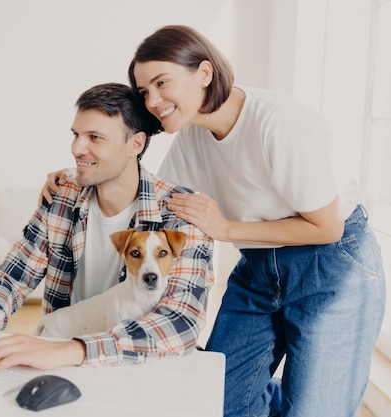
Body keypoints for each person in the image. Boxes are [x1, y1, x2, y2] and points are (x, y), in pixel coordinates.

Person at [41, 26, 386, 417]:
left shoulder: (277, 123)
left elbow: (327, 228)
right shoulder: (192, 139)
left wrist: (226, 230)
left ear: (204, 73)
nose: (153, 100)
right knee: (216, 402)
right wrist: (82, 178)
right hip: (260, 267)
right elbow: (154, 205)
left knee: (314, 411)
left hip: (332, 264)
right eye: (143, 92)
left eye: (161, 83)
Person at [0, 82, 214, 374]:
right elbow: (14, 276)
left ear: (135, 144)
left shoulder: (181, 212)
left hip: (139, 364)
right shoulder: (61, 195)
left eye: (94, 137)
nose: (77, 148)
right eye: (76, 135)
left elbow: (182, 321)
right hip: (62, 359)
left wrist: (74, 349)